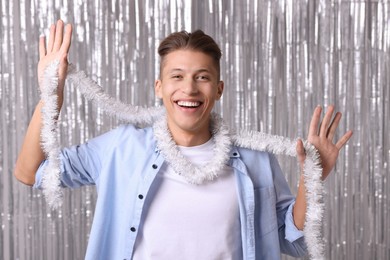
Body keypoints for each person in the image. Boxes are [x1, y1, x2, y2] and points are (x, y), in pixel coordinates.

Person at [14, 20, 353, 260]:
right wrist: (51, 93)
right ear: (159, 88)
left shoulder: (256, 159)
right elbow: (31, 172)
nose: (189, 89)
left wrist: (313, 178)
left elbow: (293, 241)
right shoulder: (120, 148)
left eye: (202, 78)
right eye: (176, 76)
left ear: (218, 89)